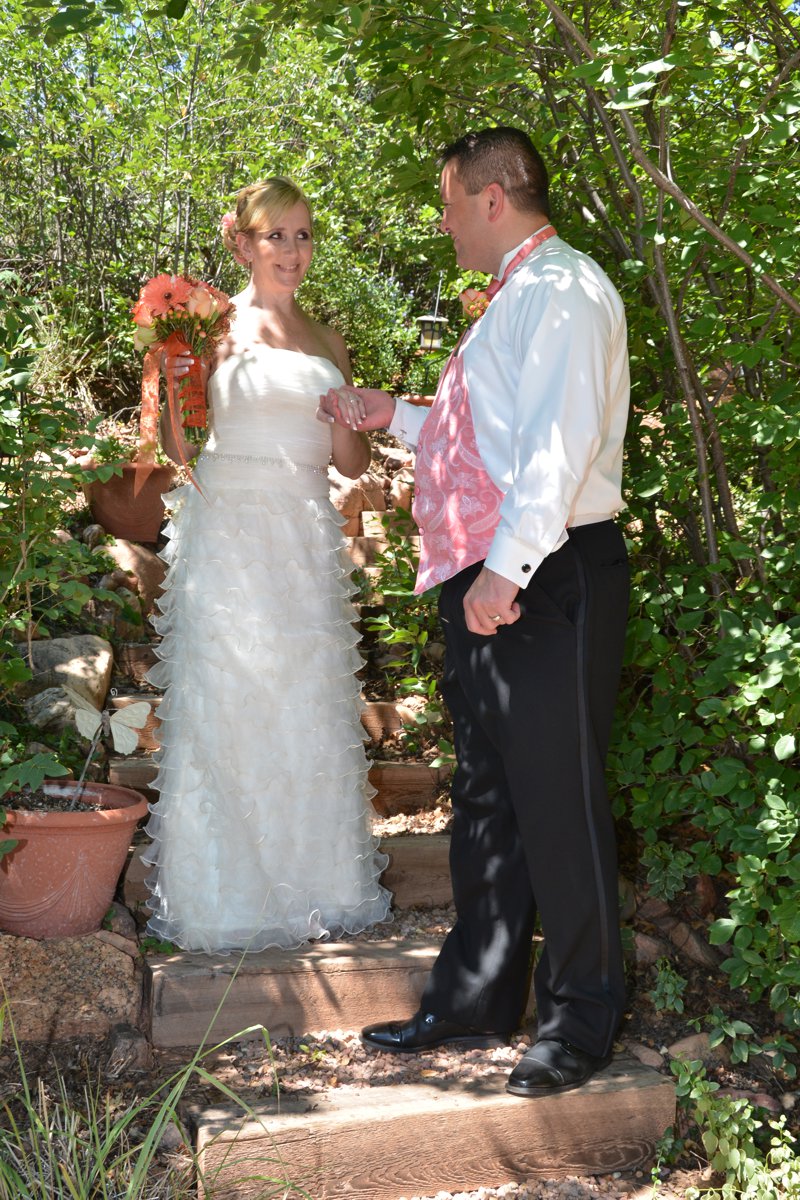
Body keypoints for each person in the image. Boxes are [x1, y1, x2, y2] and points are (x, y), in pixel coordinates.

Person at [318, 128, 630, 1096]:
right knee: (489, 797)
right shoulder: (515, 299)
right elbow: (487, 432)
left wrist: (504, 572)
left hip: (540, 572)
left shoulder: (565, 292)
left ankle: (578, 1025)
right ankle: (477, 997)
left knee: (558, 802)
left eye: (450, 203)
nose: (445, 222)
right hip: (491, 573)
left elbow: (554, 450)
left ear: (493, 197)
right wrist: (395, 415)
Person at [143, 176, 392, 953]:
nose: (292, 250)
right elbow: (176, 458)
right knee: (228, 703)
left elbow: (349, 458)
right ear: (243, 244)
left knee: (305, 706)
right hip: (226, 533)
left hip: (303, 535)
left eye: (304, 235)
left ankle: (318, 885)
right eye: (277, 236)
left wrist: (347, 415)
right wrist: (173, 389)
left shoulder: (327, 341)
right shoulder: (204, 335)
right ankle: (222, 898)